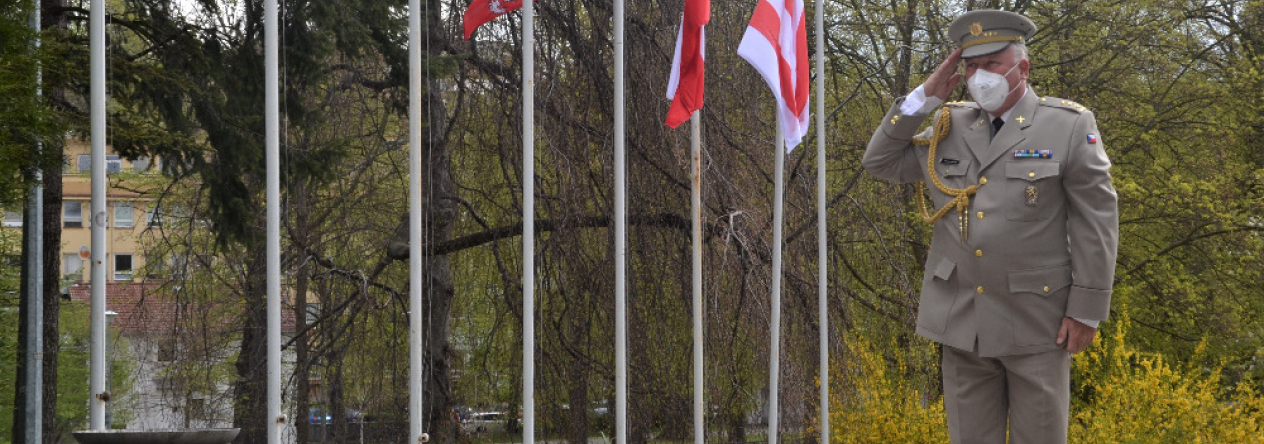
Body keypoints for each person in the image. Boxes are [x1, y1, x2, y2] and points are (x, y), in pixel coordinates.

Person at [861, 9, 1119, 444]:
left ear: (1022, 67)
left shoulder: (1068, 125)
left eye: (992, 64)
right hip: (962, 319)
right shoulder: (949, 124)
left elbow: (1097, 221)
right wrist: (925, 97)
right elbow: (879, 162)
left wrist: (1087, 309)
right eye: (970, 66)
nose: (980, 76)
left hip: (1038, 321)